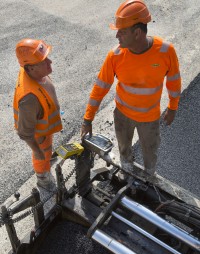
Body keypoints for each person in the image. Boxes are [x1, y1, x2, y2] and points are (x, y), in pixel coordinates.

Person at [81, 0, 181, 180]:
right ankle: (126, 173)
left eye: (122, 31)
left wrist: (173, 107)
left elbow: (173, 82)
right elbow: (100, 88)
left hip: (149, 119)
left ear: (137, 33)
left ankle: (149, 178)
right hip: (122, 116)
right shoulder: (116, 55)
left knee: (150, 153)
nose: (117, 35)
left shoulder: (166, 51)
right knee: (124, 149)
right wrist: (88, 118)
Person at [13, 39, 62, 190]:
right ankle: (43, 179)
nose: (50, 61)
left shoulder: (31, 71)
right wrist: (37, 150)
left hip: (44, 126)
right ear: (31, 68)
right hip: (39, 136)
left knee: (46, 151)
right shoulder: (29, 99)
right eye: (44, 61)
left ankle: (45, 161)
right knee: (43, 155)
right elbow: (25, 133)